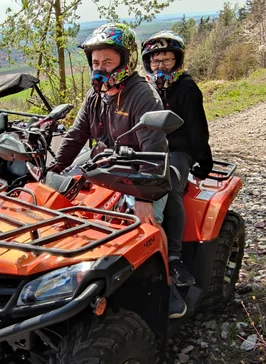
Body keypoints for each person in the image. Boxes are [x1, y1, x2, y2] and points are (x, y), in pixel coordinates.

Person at [51, 23, 190, 318]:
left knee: (145, 225)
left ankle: (167, 284)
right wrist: (55, 167)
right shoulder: (96, 96)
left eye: (108, 62)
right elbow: (76, 135)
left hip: (141, 169)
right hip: (104, 162)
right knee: (61, 200)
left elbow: (154, 151)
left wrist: (144, 196)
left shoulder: (143, 95)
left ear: (125, 62)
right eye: (96, 62)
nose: (100, 68)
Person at [141, 31, 214, 291]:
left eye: (166, 61)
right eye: (155, 61)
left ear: (177, 62)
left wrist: (204, 161)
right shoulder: (145, 87)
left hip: (178, 151)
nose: (160, 67)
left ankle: (173, 256)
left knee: (168, 185)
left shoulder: (187, 88)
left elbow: (197, 128)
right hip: (148, 148)